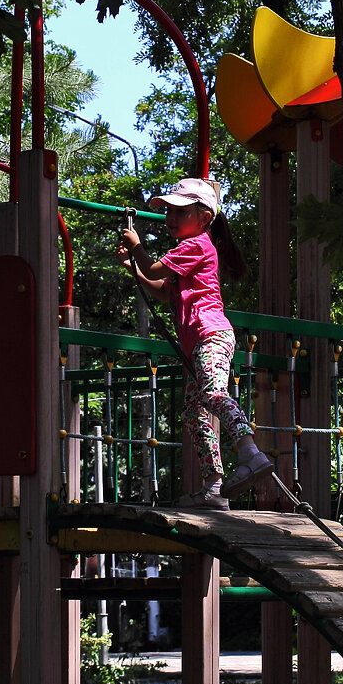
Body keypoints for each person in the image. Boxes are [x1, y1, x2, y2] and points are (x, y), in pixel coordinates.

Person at [117, 177, 273, 510]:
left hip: (211, 334)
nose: (171, 217)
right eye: (169, 211)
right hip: (198, 340)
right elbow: (163, 291)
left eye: (180, 211)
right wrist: (133, 266)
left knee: (214, 394)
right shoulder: (188, 249)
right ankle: (214, 487)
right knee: (192, 413)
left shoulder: (197, 244)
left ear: (203, 218)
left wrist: (137, 247)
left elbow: (154, 266)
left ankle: (250, 452)